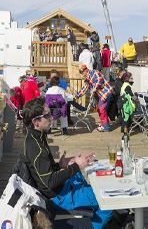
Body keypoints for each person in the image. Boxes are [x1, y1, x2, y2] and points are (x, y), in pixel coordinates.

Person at [22, 98, 112, 228]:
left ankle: (88, 203)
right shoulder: (37, 148)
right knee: (107, 199)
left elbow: (42, 171)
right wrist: (77, 165)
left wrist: (60, 164)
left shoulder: (36, 136)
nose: (52, 117)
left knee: (82, 177)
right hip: (57, 198)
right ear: (36, 122)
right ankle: (90, 225)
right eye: (47, 115)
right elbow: (50, 182)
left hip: (58, 189)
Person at [75, 64, 114, 132]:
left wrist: (94, 89)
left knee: (101, 109)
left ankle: (106, 127)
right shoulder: (87, 79)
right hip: (102, 95)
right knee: (100, 109)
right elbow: (84, 89)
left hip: (106, 93)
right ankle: (104, 124)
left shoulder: (95, 72)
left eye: (82, 72)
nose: (82, 74)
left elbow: (99, 80)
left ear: (86, 70)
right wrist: (77, 96)